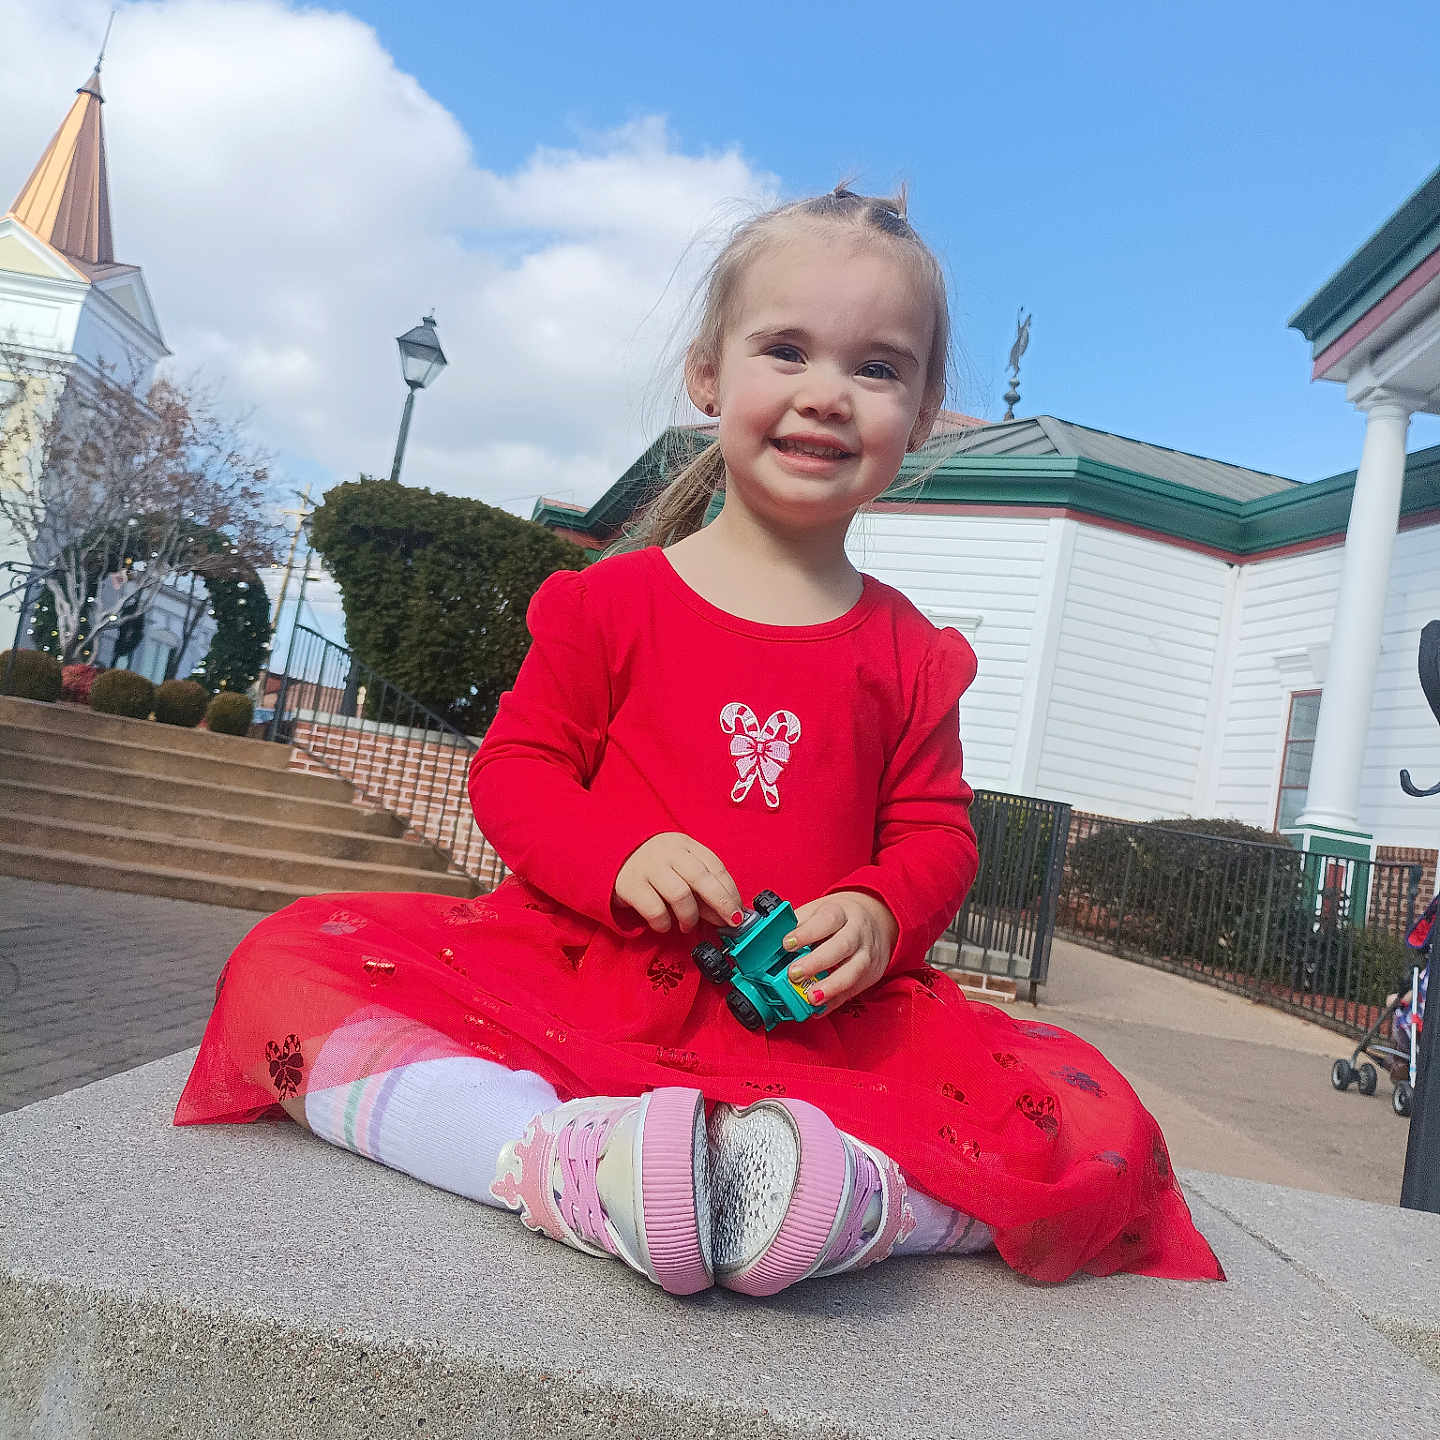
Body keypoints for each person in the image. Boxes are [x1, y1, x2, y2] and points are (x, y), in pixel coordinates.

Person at [176, 186, 1223, 1293]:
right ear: (708, 373)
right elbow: (517, 776)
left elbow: (935, 834)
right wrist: (616, 857)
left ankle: (844, 1200)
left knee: (1095, 1121)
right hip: (587, 976)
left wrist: (878, 910)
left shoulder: (912, 655)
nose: (828, 394)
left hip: (823, 1030)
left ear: (919, 418)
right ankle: (551, 1160)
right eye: (787, 349)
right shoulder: (610, 605)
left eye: (876, 368)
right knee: (279, 966)